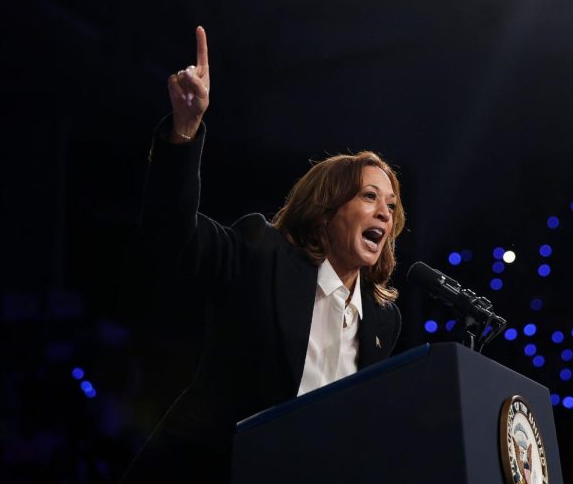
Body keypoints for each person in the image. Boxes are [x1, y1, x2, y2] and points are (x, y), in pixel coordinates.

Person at [120, 26, 406, 482]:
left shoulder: (382, 321)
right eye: (369, 197)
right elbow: (173, 235)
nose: (385, 214)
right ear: (327, 209)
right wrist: (185, 131)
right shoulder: (261, 253)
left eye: (390, 205)